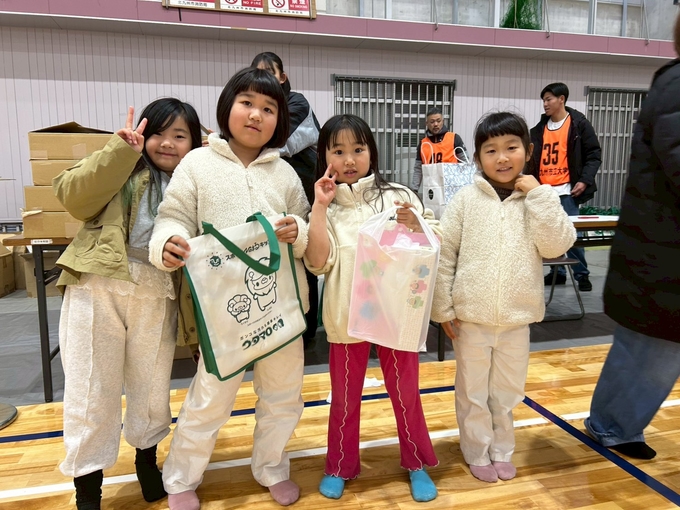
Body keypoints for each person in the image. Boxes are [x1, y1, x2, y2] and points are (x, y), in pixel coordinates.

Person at [148, 67, 310, 510]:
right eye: (247, 103)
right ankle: (180, 477)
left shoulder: (285, 173)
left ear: (280, 120)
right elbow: (173, 216)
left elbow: (305, 224)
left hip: (280, 305)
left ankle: (271, 466)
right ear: (227, 107)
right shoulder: (197, 164)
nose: (256, 115)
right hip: (224, 308)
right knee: (210, 398)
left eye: (269, 108)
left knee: (283, 396)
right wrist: (167, 242)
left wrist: (298, 230)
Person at [53, 98, 202, 510]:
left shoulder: (194, 183)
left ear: (194, 143)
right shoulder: (124, 166)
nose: (167, 143)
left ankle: (147, 463)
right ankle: (87, 487)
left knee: (151, 387)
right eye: (159, 133)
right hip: (98, 285)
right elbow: (73, 196)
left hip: (158, 292)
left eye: (180, 136)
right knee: (90, 388)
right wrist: (120, 151)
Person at [432, 112, 576, 483]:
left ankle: (501, 450)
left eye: (511, 148)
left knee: (508, 391)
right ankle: (476, 450)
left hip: (517, 318)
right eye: (491, 150)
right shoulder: (465, 200)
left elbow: (557, 245)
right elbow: (445, 254)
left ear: (528, 151)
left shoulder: (537, 199)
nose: (502, 158)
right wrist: (443, 308)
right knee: (473, 391)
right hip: (471, 318)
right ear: (478, 157)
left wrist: (540, 195)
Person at [305, 114, 441, 502]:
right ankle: (339, 465)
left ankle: (416, 462)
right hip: (347, 318)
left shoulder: (399, 195)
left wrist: (416, 224)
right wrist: (319, 208)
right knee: (344, 400)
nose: (349, 160)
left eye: (358, 149)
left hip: (397, 316)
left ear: (372, 152)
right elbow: (317, 262)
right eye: (338, 151)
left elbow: (435, 238)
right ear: (325, 156)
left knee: (406, 394)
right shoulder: (327, 205)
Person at [584, 14, 680, 461]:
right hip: (661, 257)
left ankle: (614, 425)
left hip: (660, 253)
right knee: (649, 351)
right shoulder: (676, 86)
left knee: (652, 350)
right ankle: (612, 426)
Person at [251, 51, 321, 348]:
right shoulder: (260, 108)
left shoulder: (296, 103)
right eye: (258, 72)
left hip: (304, 193)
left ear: (282, 77)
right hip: (274, 194)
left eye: (270, 72)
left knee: (305, 261)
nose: (265, 78)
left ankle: (306, 330)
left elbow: (278, 140)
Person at [530, 82, 601, 292]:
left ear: (562, 99)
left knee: (572, 235)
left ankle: (582, 274)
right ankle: (557, 272)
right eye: (543, 100)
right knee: (549, 236)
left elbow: (594, 155)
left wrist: (584, 180)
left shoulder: (578, 124)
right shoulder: (539, 129)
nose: (545, 104)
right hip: (544, 192)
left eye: (549, 99)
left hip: (567, 190)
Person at [411, 106, 468, 192]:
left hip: (452, 188)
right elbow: (418, 169)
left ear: (443, 121)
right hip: (431, 189)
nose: (435, 124)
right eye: (432, 122)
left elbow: (465, 163)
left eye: (438, 121)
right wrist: (414, 190)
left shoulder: (454, 138)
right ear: (427, 123)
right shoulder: (423, 144)